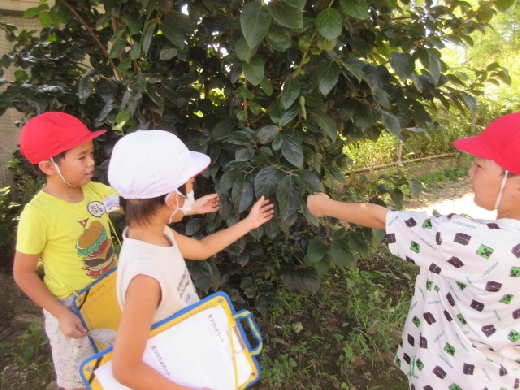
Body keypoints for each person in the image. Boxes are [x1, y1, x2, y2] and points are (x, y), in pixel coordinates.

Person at [307, 112, 520, 389]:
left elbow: (380, 218)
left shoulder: (470, 241)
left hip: (455, 375)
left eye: (479, 166)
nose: (469, 172)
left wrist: (324, 206)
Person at [12, 113, 220, 390]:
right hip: (70, 307)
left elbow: (144, 203)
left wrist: (188, 206)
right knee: (81, 377)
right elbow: (23, 273)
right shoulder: (37, 214)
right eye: (81, 157)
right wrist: (61, 314)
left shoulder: (96, 192)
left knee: (115, 367)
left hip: (109, 293)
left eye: (91, 154)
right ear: (48, 166)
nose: (91, 163)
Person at [107, 129, 274, 390]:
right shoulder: (145, 276)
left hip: (187, 357)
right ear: (173, 199)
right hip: (173, 376)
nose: (192, 192)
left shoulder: (155, 233)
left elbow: (202, 248)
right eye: (190, 186)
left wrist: (249, 223)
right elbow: (125, 368)